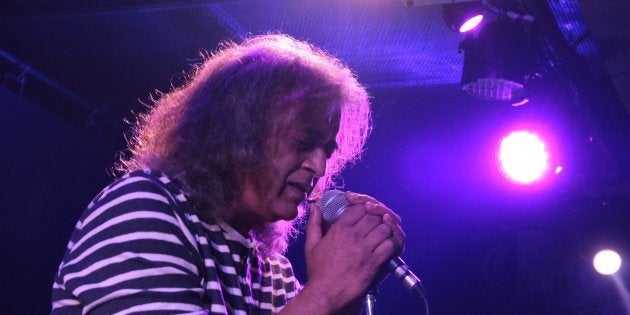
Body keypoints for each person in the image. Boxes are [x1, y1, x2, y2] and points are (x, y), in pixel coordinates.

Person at [51, 34, 405, 314]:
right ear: (239, 131)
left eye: (327, 151)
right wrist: (325, 293)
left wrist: (353, 282)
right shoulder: (141, 209)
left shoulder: (270, 271)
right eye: (303, 142)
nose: (320, 167)